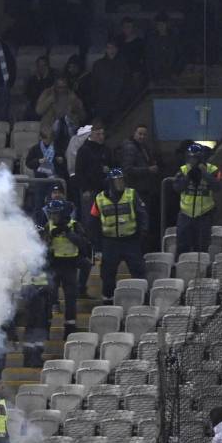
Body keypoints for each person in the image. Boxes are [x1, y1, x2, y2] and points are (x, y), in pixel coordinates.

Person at [90, 168, 148, 305]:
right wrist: (97, 243)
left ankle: (143, 299)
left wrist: (143, 233)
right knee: (107, 274)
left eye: (122, 180)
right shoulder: (99, 198)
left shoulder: (132, 194)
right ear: (110, 183)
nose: (120, 183)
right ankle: (108, 301)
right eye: (117, 181)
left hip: (130, 240)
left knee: (138, 271)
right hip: (110, 242)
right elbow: (93, 221)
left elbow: (142, 214)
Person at [42, 199, 89, 339]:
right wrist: (50, 237)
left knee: (70, 298)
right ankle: (46, 329)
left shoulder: (74, 225)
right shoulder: (48, 226)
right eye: (51, 214)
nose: (52, 217)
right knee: (49, 298)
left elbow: (84, 244)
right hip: (53, 266)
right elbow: (41, 246)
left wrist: (68, 233)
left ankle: (69, 328)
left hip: (70, 266)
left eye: (55, 214)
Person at [116, 124, 162, 250]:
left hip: (144, 188)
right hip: (137, 189)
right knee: (140, 220)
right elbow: (128, 169)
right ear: (134, 133)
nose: (142, 137)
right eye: (140, 134)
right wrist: (148, 170)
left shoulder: (142, 147)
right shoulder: (131, 148)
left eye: (144, 134)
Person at [172, 144, 220, 256]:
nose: (192, 161)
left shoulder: (213, 170)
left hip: (204, 214)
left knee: (202, 246)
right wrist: (189, 175)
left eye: (195, 158)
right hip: (185, 214)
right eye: (190, 158)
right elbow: (177, 188)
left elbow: (217, 187)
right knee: (182, 246)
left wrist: (205, 173)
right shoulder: (183, 170)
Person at [89, 40, 130, 124]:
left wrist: (123, 102)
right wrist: (95, 101)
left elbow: (127, 85)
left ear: (117, 49)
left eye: (113, 48)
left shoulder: (123, 65)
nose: (111, 50)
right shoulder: (98, 65)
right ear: (106, 49)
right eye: (109, 48)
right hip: (102, 104)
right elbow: (94, 85)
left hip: (119, 104)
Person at [24, 57, 56, 122]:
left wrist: (44, 79)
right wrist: (38, 81)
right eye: (39, 66)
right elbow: (30, 95)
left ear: (47, 66)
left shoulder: (54, 78)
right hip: (35, 107)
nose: (41, 68)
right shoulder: (32, 80)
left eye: (43, 65)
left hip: (50, 107)